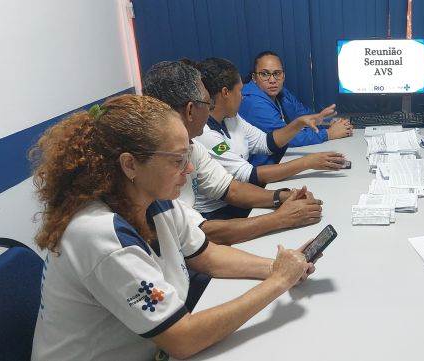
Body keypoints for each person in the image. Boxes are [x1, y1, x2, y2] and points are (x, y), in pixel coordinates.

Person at [30, 94, 317, 361]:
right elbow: (182, 339)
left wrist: (279, 268)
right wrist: (277, 283)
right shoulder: (98, 235)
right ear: (130, 165)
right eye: (178, 160)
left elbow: (208, 257)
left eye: (188, 156)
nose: (189, 169)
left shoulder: (155, 200)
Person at [142, 60, 323, 245]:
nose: (210, 106)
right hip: (213, 222)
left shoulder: (194, 145)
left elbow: (231, 188)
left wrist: (284, 196)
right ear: (190, 110)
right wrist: (281, 217)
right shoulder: (157, 167)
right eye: (207, 102)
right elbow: (202, 235)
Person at [193, 57, 347, 220]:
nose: (243, 96)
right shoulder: (206, 134)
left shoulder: (232, 117)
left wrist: (299, 123)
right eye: (239, 91)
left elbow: (266, 143)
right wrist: (307, 162)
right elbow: (248, 175)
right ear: (225, 93)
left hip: (243, 197)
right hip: (219, 212)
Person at [239, 50, 352, 166]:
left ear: (283, 75)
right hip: (265, 168)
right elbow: (284, 137)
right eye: (264, 74)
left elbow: (303, 115)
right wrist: (329, 133)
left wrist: (331, 122)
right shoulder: (252, 102)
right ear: (254, 77)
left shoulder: (281, 92)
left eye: (277, 73)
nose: (272, 80)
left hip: (283, 159)